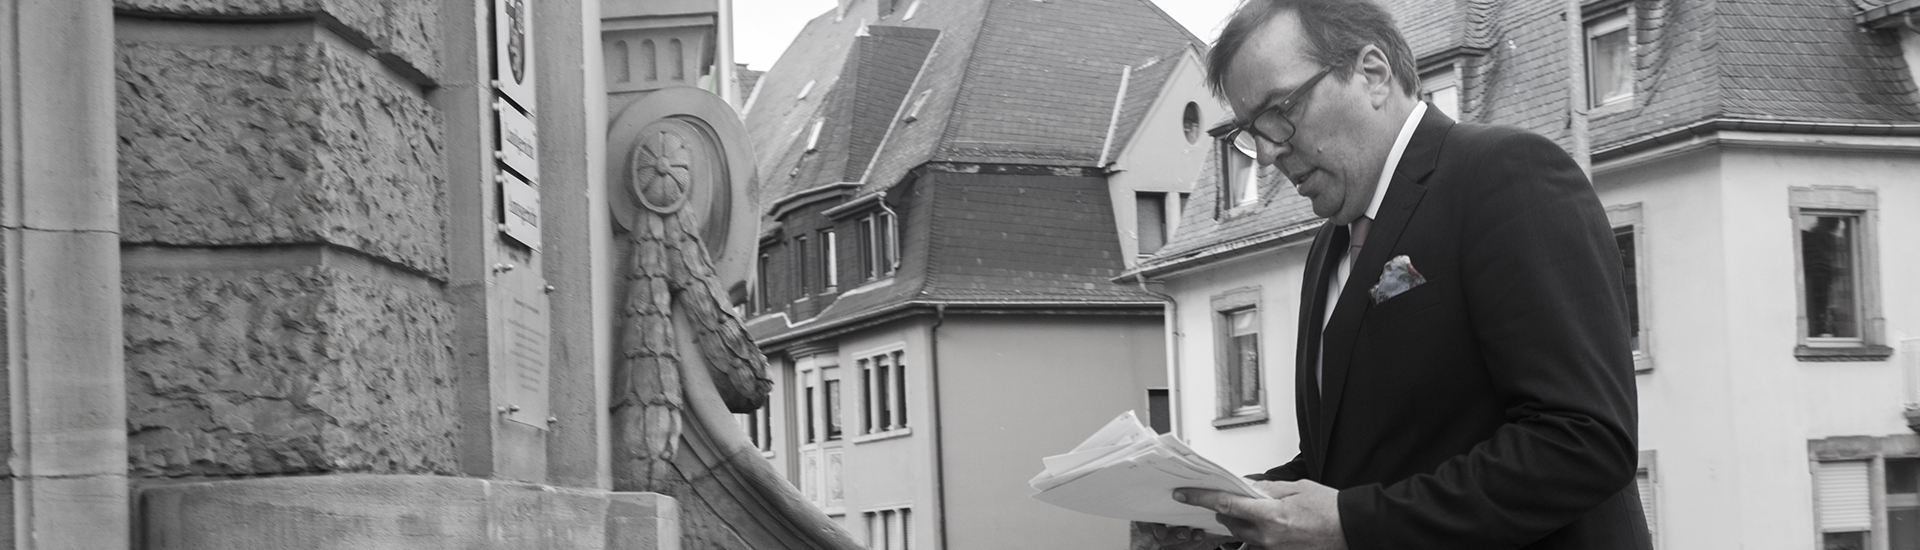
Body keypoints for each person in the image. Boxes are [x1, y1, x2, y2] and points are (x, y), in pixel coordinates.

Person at [1151, 0, 1652, 548]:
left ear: (1373, 73)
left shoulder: (1507, 173)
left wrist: (1352, 523)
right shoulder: (1329, 247)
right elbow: (1353, 461)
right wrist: (1233, 503)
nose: (1269, 153)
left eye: (1281, 111)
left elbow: (1584, 441)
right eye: (1252, 131)